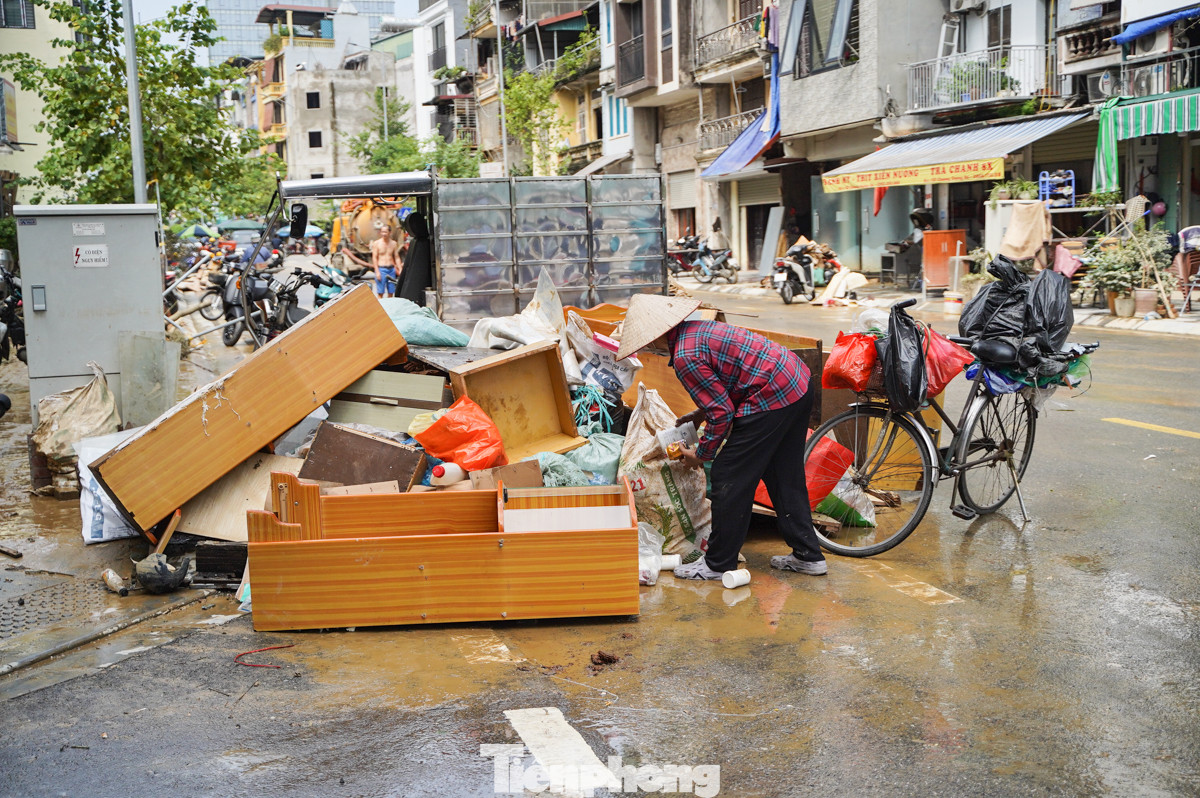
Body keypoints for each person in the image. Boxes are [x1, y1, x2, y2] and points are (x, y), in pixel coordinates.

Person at [616, 294, 827, 580]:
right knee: (783, 474)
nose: (648, 348)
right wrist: (699, 414)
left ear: (657, 337)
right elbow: (728, 383)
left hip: (771, 397)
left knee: (729, 474)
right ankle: (808, 556)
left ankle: (718, 563)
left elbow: (722, 413)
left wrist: (701, 455)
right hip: (796, 382)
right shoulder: (698, 329)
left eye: (647, 343)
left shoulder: (685, 357)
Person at [370, 225, 400, 297]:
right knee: (380, 293)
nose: (384, 234)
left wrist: (400, 269)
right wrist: (377, 271)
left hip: (391, 270)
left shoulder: (394, 244)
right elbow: (374, 258)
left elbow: (397, 257)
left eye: (385, 232)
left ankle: (389, 304)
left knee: (391, 292)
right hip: (381, 270)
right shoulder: (377, 243)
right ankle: (381, 304)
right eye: (382, 232)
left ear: (390, 232)